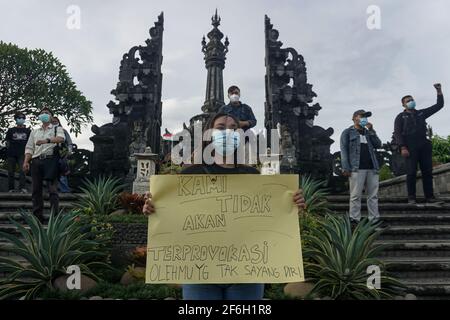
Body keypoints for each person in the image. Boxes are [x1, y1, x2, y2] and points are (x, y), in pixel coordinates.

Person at [143, 112, 306, 300]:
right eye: (221, 128)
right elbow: (175, 214)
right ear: (209, 133)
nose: (227, 132)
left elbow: (268, 217)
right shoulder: (192, 173)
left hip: (246, 271)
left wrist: (293, 203)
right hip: (199, 270)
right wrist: (154, 207)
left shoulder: (252, 176)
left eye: (233, 128)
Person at [394, 83, 444, 205]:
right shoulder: (401, 117)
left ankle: (430, 196)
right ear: (403, 104)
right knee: (411, 172)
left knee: (427, 171)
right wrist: (403, 147)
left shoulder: (421, 113)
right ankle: (411, 197)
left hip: (424, 145)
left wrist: (439, 91)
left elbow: (439, 106)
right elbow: (398, 133)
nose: (411, 101)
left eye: (412, 99)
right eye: (408, 101)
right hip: (410, 146)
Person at [340, 109, 382, 226]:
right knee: (355, 195)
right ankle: (354, 219)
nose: (364, 118)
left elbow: (378, 144)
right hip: (356, 168)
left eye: (365, 116)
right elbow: (344, 150)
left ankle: (374, 219)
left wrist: (372, 130)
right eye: (361, 116)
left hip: (372, 167)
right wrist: (346, 167)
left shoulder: (368, 133)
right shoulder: (348, 132)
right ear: (354, 118)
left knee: (373, 195)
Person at [23, 107, 65, 222]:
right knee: (36, 190)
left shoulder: (57, 128)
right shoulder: (34, 131)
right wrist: (26, 161)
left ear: (51, 116)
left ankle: (54, 217)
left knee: (52, 190)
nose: (44, 114)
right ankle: (37, 217)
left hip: (51, 160)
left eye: (47, 113)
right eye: (42, 113)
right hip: (36, 161)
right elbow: (29, 148)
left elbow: (61, 139)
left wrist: (46, 141)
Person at [5, 112, 31, 193]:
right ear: (16, 119)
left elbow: (30, 142)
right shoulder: (10, 130)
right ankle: (11, 188)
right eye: (19, 118)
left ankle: (22, 188)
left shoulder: (28, 131)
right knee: (10, 172)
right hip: (11, 154)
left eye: (23, 118)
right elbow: (7, 142)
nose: (21, 119)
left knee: (22, 171)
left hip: (23, 154)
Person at [51, 116, 73, 193]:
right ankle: (54, 190)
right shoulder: (48, 131)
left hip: (62, 154)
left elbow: (69, 142)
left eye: (55, 122)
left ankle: (65, 190)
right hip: (50, 154)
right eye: (52, 122)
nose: (54, 123)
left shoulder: (63, 131)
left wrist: (69, 150)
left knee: (62, 172)